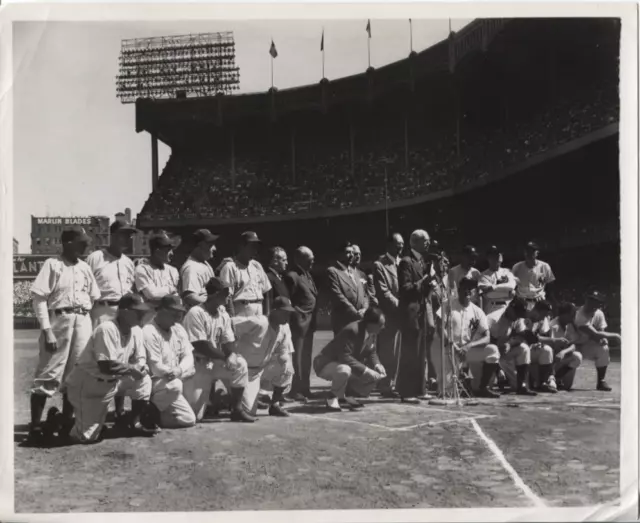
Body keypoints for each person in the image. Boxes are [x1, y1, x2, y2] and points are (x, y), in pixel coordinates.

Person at [28, 226, 100, 443]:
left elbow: (94, 296)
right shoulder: (53, 264)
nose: (86, 245)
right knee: (49, 373)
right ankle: (35, 426)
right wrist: (47, 330)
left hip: (82, 319)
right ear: (68, 243)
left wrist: (84, 319)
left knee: (75, 375)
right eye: (81, 241)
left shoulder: (85, 267)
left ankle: (66, 421)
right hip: (60, 319)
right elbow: (39, 298)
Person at [61, 294, 158, 444]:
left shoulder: (137, 330)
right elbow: (106, 366)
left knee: (144, 379)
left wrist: (141, 367)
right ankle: (58, 420)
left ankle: (134, 422)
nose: (142, 315)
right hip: (88, 384)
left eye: (143, 311)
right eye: (138, 311)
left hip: (113, 382)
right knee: (85, 437)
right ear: (125, 311)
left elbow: (140, 358)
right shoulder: (106, 329)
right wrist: (133, 369)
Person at [181, 278, 255, 423]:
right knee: (195, 417)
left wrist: (232, 354)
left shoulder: (222, 313)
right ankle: (212, 399)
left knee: (240, 364)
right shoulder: (195, 312)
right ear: (215, 294)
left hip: (215, 362)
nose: (229, 296)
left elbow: (228, 341)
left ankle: (237, 410)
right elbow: (200, 345)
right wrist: (225, 357)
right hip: (198, 365)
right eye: (225, 293)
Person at [232, 297, 296, 417]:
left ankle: (275, 404)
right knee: (249, 411)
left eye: (289, 313)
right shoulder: (259, 322)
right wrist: (229, 347)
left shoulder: (284, 327)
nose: (288, 316)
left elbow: (283, 350)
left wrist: (285, 364)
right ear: (274, 311)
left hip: (262, 369)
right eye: (284, 312)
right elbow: (230, 324)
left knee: (287, 368)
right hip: (243, 370)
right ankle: (229, 397)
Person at [313, 307, 387, 412]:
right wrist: (367, 370)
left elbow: (372, 351)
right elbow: (344, 356)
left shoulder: (372, 332)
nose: (383, 327)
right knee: (344, 370)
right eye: (380, 325)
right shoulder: (352, 330)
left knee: (376, 376)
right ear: (370, 324)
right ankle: (332, 397)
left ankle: (347, 395)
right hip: (324, 364)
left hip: (344, 364)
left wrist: (377, 365)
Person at [441, 278, 501, 398]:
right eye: (465, 288)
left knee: (493, 350)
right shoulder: (448, 304)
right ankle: (461, 382)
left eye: (470, 289)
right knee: (448, 391)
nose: (468, 291)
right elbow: (439, 326)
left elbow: (487, 337)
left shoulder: (477, 311)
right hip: (450, 349)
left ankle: (482, 387)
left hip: (468, 351)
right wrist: (453, 344)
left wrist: (469, 346)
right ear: (459, 289)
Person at [396, 230, 437, 403]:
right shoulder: (406, 262)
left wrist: (430, 284)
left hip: (421, 312)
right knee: (410, 352)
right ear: (414, 243)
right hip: (410, 314)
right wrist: (425, 281)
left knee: (421, 353)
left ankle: (419, 389)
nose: (428, 243)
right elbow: (405, 289)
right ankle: (406, 391)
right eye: (425, 241)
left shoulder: (422, 262)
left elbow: (422, 289)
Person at [143, 295, 197, 428]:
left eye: (179, 314)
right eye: (173, 314)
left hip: (171, 381)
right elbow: (156, 367)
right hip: (155, 383)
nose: (177, 318)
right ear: (161, 311)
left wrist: (179, 370)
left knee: (189, 419)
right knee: (176, 385)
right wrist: (180, 373)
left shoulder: (178, 329)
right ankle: (146, 408)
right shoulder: (149, 331)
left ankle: (151, 417)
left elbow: (188, 356)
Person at [86, 220, 139, 328]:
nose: (128, 238)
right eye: (123, 235)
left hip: (125, 312)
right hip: (103, 311)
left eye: (129, 235)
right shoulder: (95, 258)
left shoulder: (129, 262)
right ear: (113, 236)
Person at [285, 246, 319, 401]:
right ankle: (296, 389)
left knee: (306, 358)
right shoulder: (292, 276)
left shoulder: (307, 274)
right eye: (309, 259)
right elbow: (289, 301)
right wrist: (297, 316)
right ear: (299, 259)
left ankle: (305, 387)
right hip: (299, 324)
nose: (312, 261)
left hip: (309, 324)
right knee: (297, 359)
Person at [372, 233, 404, 397]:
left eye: (403, 243)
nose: (401, 246)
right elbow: (384, 292)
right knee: (387, 351)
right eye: (398, 243)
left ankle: (395, 382)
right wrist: (401, 306)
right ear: (390, 245)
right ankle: (385, 385)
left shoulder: (403, 263)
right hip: (389, 316)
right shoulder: (380, 265)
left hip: (403, 317)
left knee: (399, 352)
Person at [486, 298, 536, 395]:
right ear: (510, 307)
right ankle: (496, 378)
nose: (517, 316)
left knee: (524, 348)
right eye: (516, 313)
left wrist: (510, 344)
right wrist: (498, 370)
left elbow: (521, 337)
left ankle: (522, 386)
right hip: (489, 356)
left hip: (504, 353)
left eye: (519, 314)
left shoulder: (517, 318)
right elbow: (489, 344)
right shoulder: (494, 319)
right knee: (488, 388)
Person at [573, 289, 620, 391]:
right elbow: (595, 334)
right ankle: (557, 378)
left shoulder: (599, 313)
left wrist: (603, 340)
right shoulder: (579, 314)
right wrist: (615, 335)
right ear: (586, 300)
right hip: (574, 346)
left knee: (603, 348)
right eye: (590, 300)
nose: (593, 303)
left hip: (587, 345)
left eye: (596, 301)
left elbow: (600, 331)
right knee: (566, 384)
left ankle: (601, 381)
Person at [219, 231, 272, 317]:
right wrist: (231, 318)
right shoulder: (230, 267)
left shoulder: (257, 265)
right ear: (242, 246)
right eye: (252, 246)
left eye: (257, 247)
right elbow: (227, 297)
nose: (255, 250)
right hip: (241, 310)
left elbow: (266, 290)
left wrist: (267, 313)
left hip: (259, 309)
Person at [511, 300, 558, 393]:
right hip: (515, 351)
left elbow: (543, 335)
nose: (543, 318)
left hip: (530, 350)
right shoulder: (523, 318)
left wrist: (540, 343)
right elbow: (528, 336)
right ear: (536, 311)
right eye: (543, 314)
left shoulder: (539, 321)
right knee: (525, 347)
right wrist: (554, 340)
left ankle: (544, 382)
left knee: (546, 350)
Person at [134, 231, 180, 325]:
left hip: (169, 318)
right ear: (158, 251)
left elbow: (176, 298)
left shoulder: (173, 270)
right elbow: (152, 295)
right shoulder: (142, 269)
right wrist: (170, 289)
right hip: (149, 319)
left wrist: (161, 296)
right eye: (168, 250)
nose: (172, 253)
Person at [327, 241, 369, 334]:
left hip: (360, 321)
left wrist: (364, 309)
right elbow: (338, 296)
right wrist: (356, 313)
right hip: (343, 322)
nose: (351, 255)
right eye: (347, 252)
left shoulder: (356, 273)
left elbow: (364, 295)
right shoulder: (333, 271)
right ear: (340, 254)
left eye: (352, 253)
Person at [180, 229, 219, 309]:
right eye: (210, 245)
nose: (214, 248)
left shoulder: (204, 263)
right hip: (198, 313)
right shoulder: (191, 268)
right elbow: (190, 297)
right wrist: (212, 304)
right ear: (201, 245)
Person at [549, 302, 583, 391]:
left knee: (577, 356)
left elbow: (573, 345)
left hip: (561, 357)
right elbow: (551, 347)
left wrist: (564, 351)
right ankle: (549, 377)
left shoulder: (569, 325)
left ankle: (558, 378)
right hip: (551, 361)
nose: (573, 317)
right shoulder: (553, 326)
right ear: (564, 314)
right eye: (571, 314)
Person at [512, 241, 556, 310]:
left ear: (537, 253)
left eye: (532, 251)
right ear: (524, 252)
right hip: (523, 303)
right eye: (527, 251)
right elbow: (512, 286)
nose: (529, 253)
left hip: (539, 302)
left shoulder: (544, 266)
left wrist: (550, 302)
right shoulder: (517, 267)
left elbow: (551, 287)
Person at [478, 246, 517, 315]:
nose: (497, 257)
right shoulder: (483, 275)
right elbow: (486, 294)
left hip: (507, 307)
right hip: (492, 308)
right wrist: (507, 292)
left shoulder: (507, 272)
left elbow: (511, 287)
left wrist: (493, 287)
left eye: (499, 254)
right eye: (494, 255)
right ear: (488, 258)